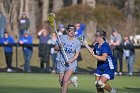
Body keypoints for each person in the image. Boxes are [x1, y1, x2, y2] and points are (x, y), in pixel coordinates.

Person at [54, 24, 81, 93]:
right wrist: (59, 46)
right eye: (70, 30)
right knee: (62, 82)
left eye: (73, 31)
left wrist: (71, 60)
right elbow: (55, 48)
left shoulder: (77, 42)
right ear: (67, 31)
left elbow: (76, 55)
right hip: (61, 62)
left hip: (71, 63)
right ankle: (71, 81)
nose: (72, 32)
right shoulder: (62, 38)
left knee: (65, 80)